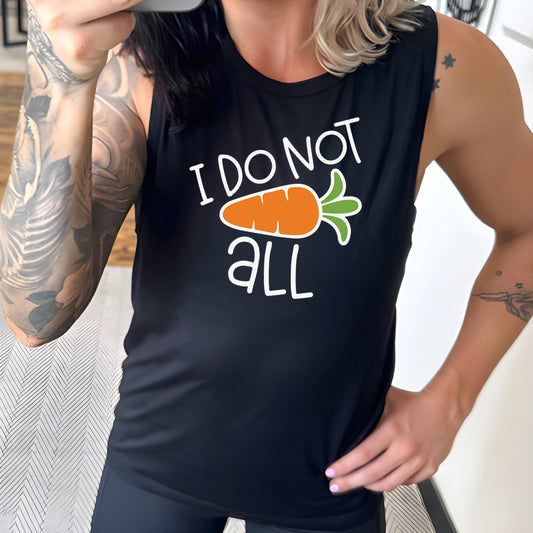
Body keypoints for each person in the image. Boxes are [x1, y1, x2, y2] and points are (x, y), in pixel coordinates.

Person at [0, 0, 531, 532]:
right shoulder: (137, 60)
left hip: (333, 477)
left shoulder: (440, 65)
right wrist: (59, 75)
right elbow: (34, 316)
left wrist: (449, 402)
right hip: (159, 451)